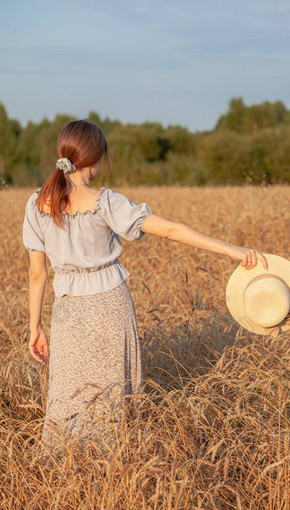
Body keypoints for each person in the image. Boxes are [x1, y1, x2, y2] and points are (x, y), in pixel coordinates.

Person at [22, 119, 268, 456]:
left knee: (67, 398)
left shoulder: (37, 204)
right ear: (97, 158)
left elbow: (37, 274)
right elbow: (170, 230)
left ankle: (63, 475)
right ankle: (114, 473)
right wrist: (231, 249)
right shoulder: (105, 201)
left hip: (66, 312)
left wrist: (35, 326)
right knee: (113, 396)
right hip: (110, 306)